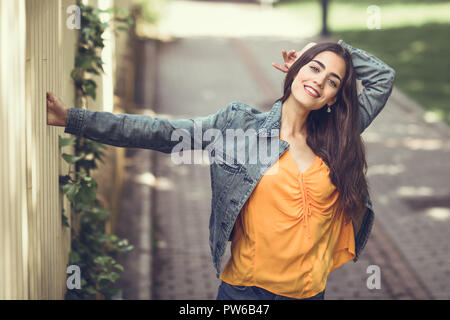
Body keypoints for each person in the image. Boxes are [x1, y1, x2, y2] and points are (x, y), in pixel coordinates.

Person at [47, 39, 396, 300]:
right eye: (314, 67)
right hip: (245, 294)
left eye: (333, 81)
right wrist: (73, 119)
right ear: (295, 70)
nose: (319, 81)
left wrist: (333, 49)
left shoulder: (338, 137)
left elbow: (383, 78)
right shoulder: (239, 127)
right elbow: (161, 133)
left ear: (334, 98)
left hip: (310, 294)